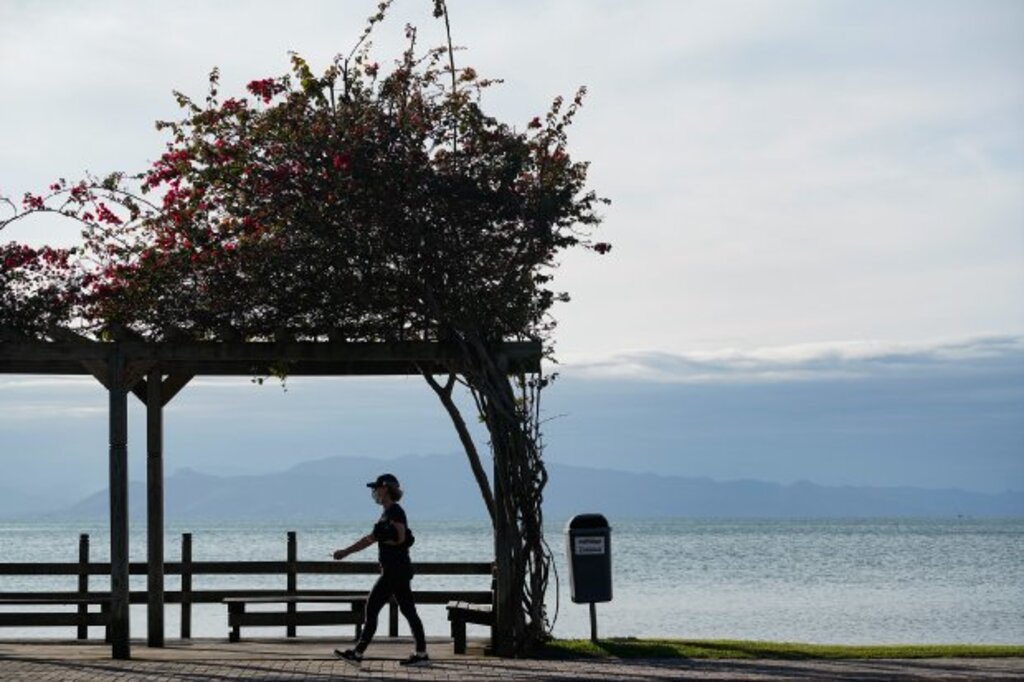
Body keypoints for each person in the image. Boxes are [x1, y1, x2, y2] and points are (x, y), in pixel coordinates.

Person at [331, 473, 429, 666]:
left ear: (385, 488)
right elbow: (369, 539)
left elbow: (400, 538)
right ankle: (422, 654)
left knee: (372, 607)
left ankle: (357, 654)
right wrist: (346, 552)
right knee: (409, 611)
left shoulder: (395, 511)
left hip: (394, 571)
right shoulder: (386, 513)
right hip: (397, 570)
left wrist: (383, 536)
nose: (374, 492)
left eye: (376, 488)